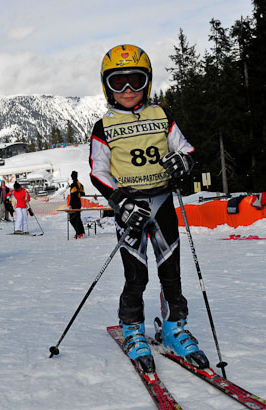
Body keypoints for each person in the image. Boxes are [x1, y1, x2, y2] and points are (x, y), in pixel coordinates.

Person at [89, 44, 209, 373]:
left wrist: (183, 162)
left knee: (171, 272)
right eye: (118, 82)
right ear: (106, 86)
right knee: (136, 275)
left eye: (136, 80)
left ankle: (174, 328)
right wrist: (119, 201)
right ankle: (133, 329)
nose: (128, 90)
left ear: (148, 82)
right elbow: (98, 171)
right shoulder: (104, 126)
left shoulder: (162, 116)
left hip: (163, 203)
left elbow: (186, 149)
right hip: (131, 210)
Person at [69, 171, 85, 239]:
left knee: (73, 219)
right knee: (77, 218)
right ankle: (80, 233)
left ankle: (79, 233)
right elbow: (83, 194)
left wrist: (70, 204)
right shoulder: (80, 184)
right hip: (79, 202)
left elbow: (73, 195)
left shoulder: (73, 184)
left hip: (74, 203)